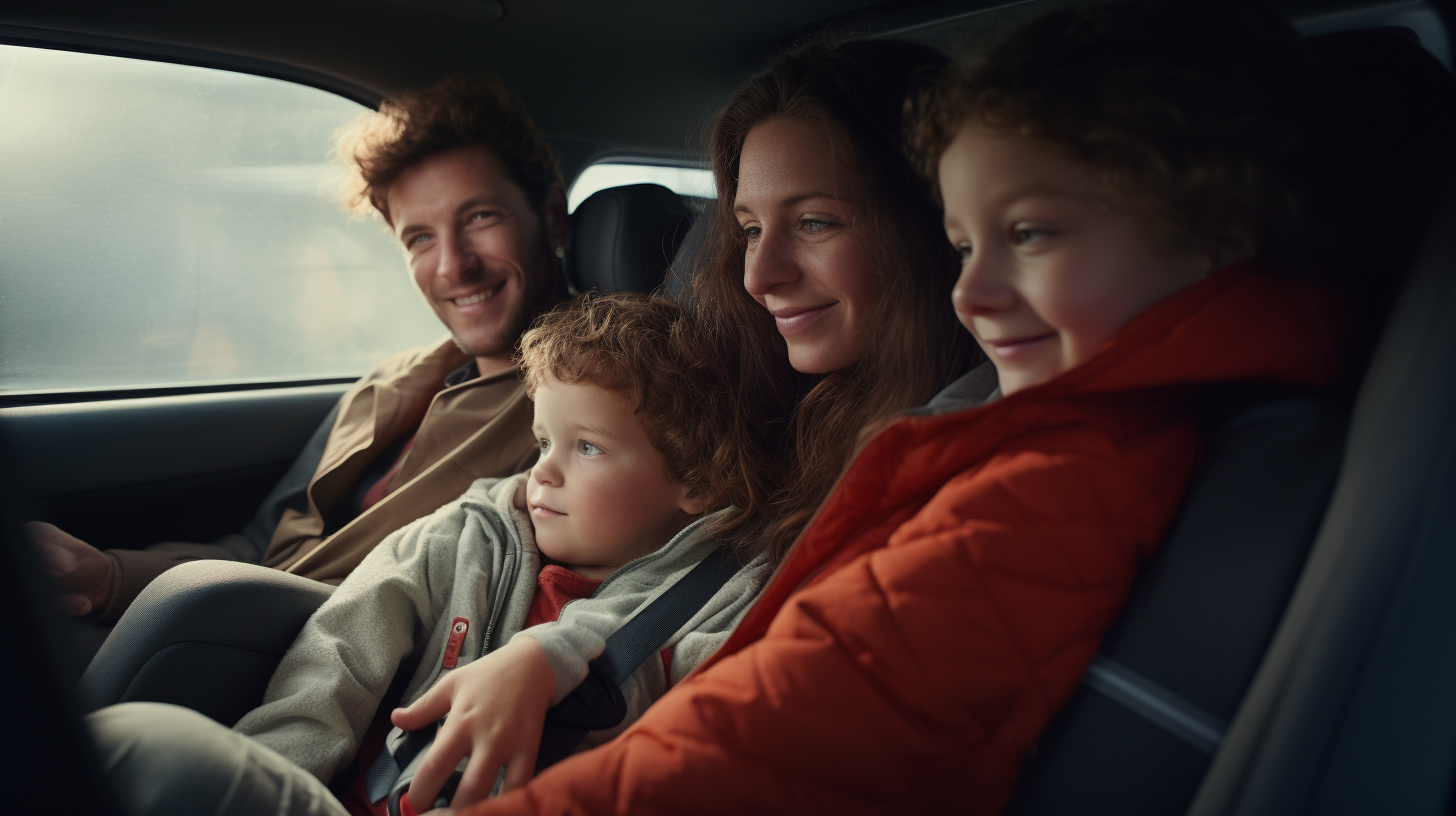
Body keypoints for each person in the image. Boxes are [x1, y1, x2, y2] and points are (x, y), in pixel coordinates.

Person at [469, 3, 1351, 813]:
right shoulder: (842, 420)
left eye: (1031, 233)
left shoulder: (1057, 471)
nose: (755, 274)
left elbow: (790, 721)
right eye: (745, 229)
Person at [87, 293, 775, 816]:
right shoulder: (468, 534)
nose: (545, 473)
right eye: (543, 443)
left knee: (156, 749)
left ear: (697, 479)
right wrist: (281, 766)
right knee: (132, 744)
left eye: (587, 448)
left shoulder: (720, 601)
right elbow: (336, 658)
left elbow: (683, 763)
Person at [26, 74, 571, 622]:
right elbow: (262, 550)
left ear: (550, 215)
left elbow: (411, 613)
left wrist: (134, 591)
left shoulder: (589, 403)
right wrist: (108, 575)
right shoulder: (392, 381)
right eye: (420, 238)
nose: (453, 265)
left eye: (479, 217)